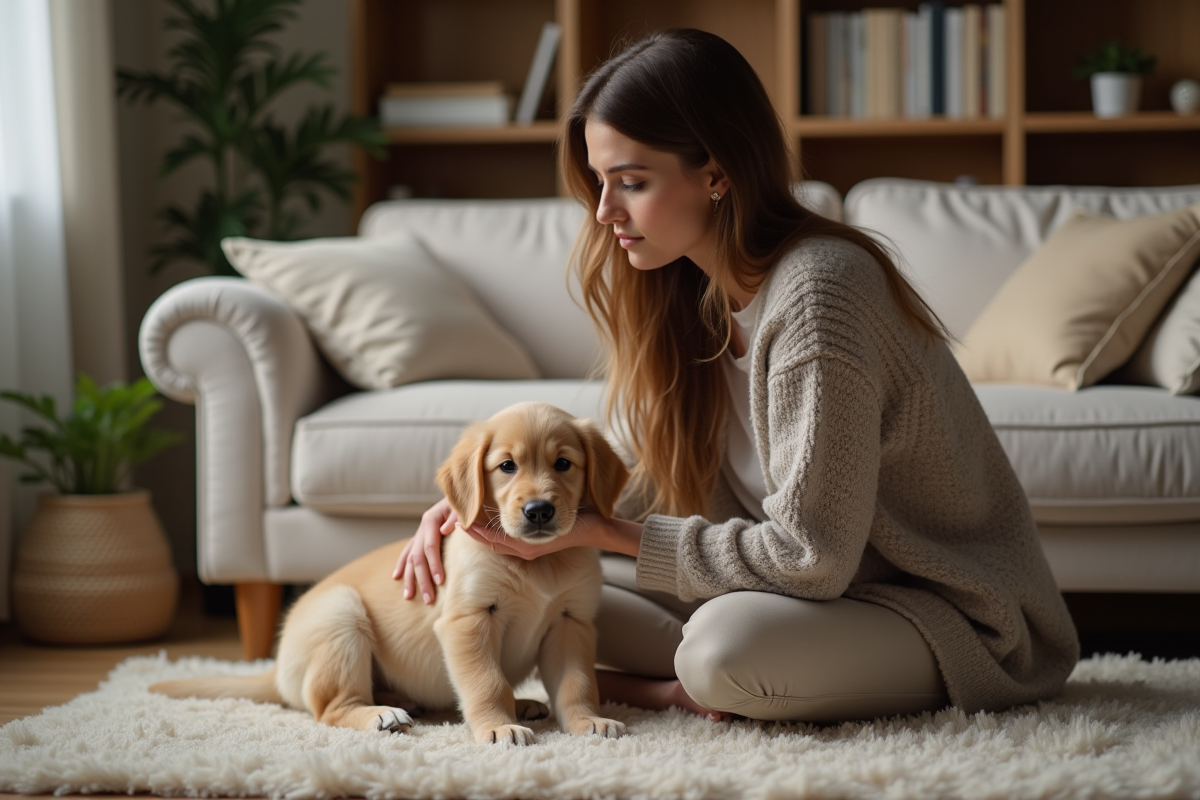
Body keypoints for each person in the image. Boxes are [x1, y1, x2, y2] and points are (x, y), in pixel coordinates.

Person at [393, 28, 1079, 723]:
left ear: (716, 174)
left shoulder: (819, 297)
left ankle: (666, 687)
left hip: (940, 612)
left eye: (632, 182)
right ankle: (621, 680)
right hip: (812, 597)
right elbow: (652, 480)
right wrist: (487, 513)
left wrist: (600, 533)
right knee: (530, 581)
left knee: (720, 650)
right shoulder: (695, 294)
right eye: (600, 183)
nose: (604, 212)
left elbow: (812, 558)